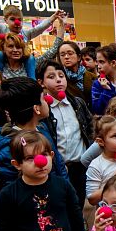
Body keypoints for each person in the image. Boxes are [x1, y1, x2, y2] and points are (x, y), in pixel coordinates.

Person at [0, 76, 69, 191]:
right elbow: (13, 190)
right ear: (36, 108)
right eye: (43, 98)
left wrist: (65, 190)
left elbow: (59, 163)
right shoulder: (10, 149)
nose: (47, 101)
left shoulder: (42, 129)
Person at [37, 60, 92, 207]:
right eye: (51, 76)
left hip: (80, 165)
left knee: (78, 202)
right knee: (61, 203)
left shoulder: (77, 103)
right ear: (41, 82)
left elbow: (90, 129)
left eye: (61, 75)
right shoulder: (43, 110)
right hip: (58, 168)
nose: (58, 79)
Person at [92, 45, 116, 115]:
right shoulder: (97, 84)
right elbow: (97, 110)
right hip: (106, 121)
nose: (98, 66)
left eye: (102, 62)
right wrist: (106, 90)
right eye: (97, 62)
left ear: (113, 63)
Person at [58, 40, 95, 106]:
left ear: (79, 57)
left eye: (70, 53)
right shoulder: (59, 80)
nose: (66, 57)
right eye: (62, 55)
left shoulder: (92, 77)